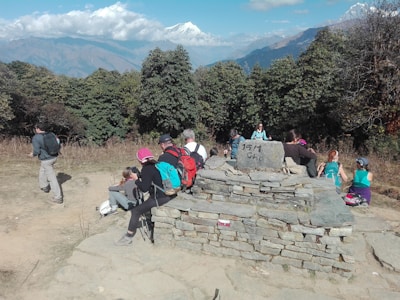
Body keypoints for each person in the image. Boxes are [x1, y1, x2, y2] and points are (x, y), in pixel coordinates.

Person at [115, 148, 173, 246]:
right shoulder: (156, 164)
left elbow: (144, 188)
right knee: (145, 207)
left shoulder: (146, 169)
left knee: (135, 211)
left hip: (159, 197)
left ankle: (128, 237)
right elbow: (152, 178)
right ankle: (149, 224)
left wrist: (136, 179)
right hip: (168, 193)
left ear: (140, 160)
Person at [28, 122, 63, 204]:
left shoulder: (36, 138)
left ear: (38, 129)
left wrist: (32, 154)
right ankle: (44, 186)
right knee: (42, 170)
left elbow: (36, 151)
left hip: (46, 160)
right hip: (54, 157)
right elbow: (58, 143)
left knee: (52, 178)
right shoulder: (52, 134)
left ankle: (58, 197)